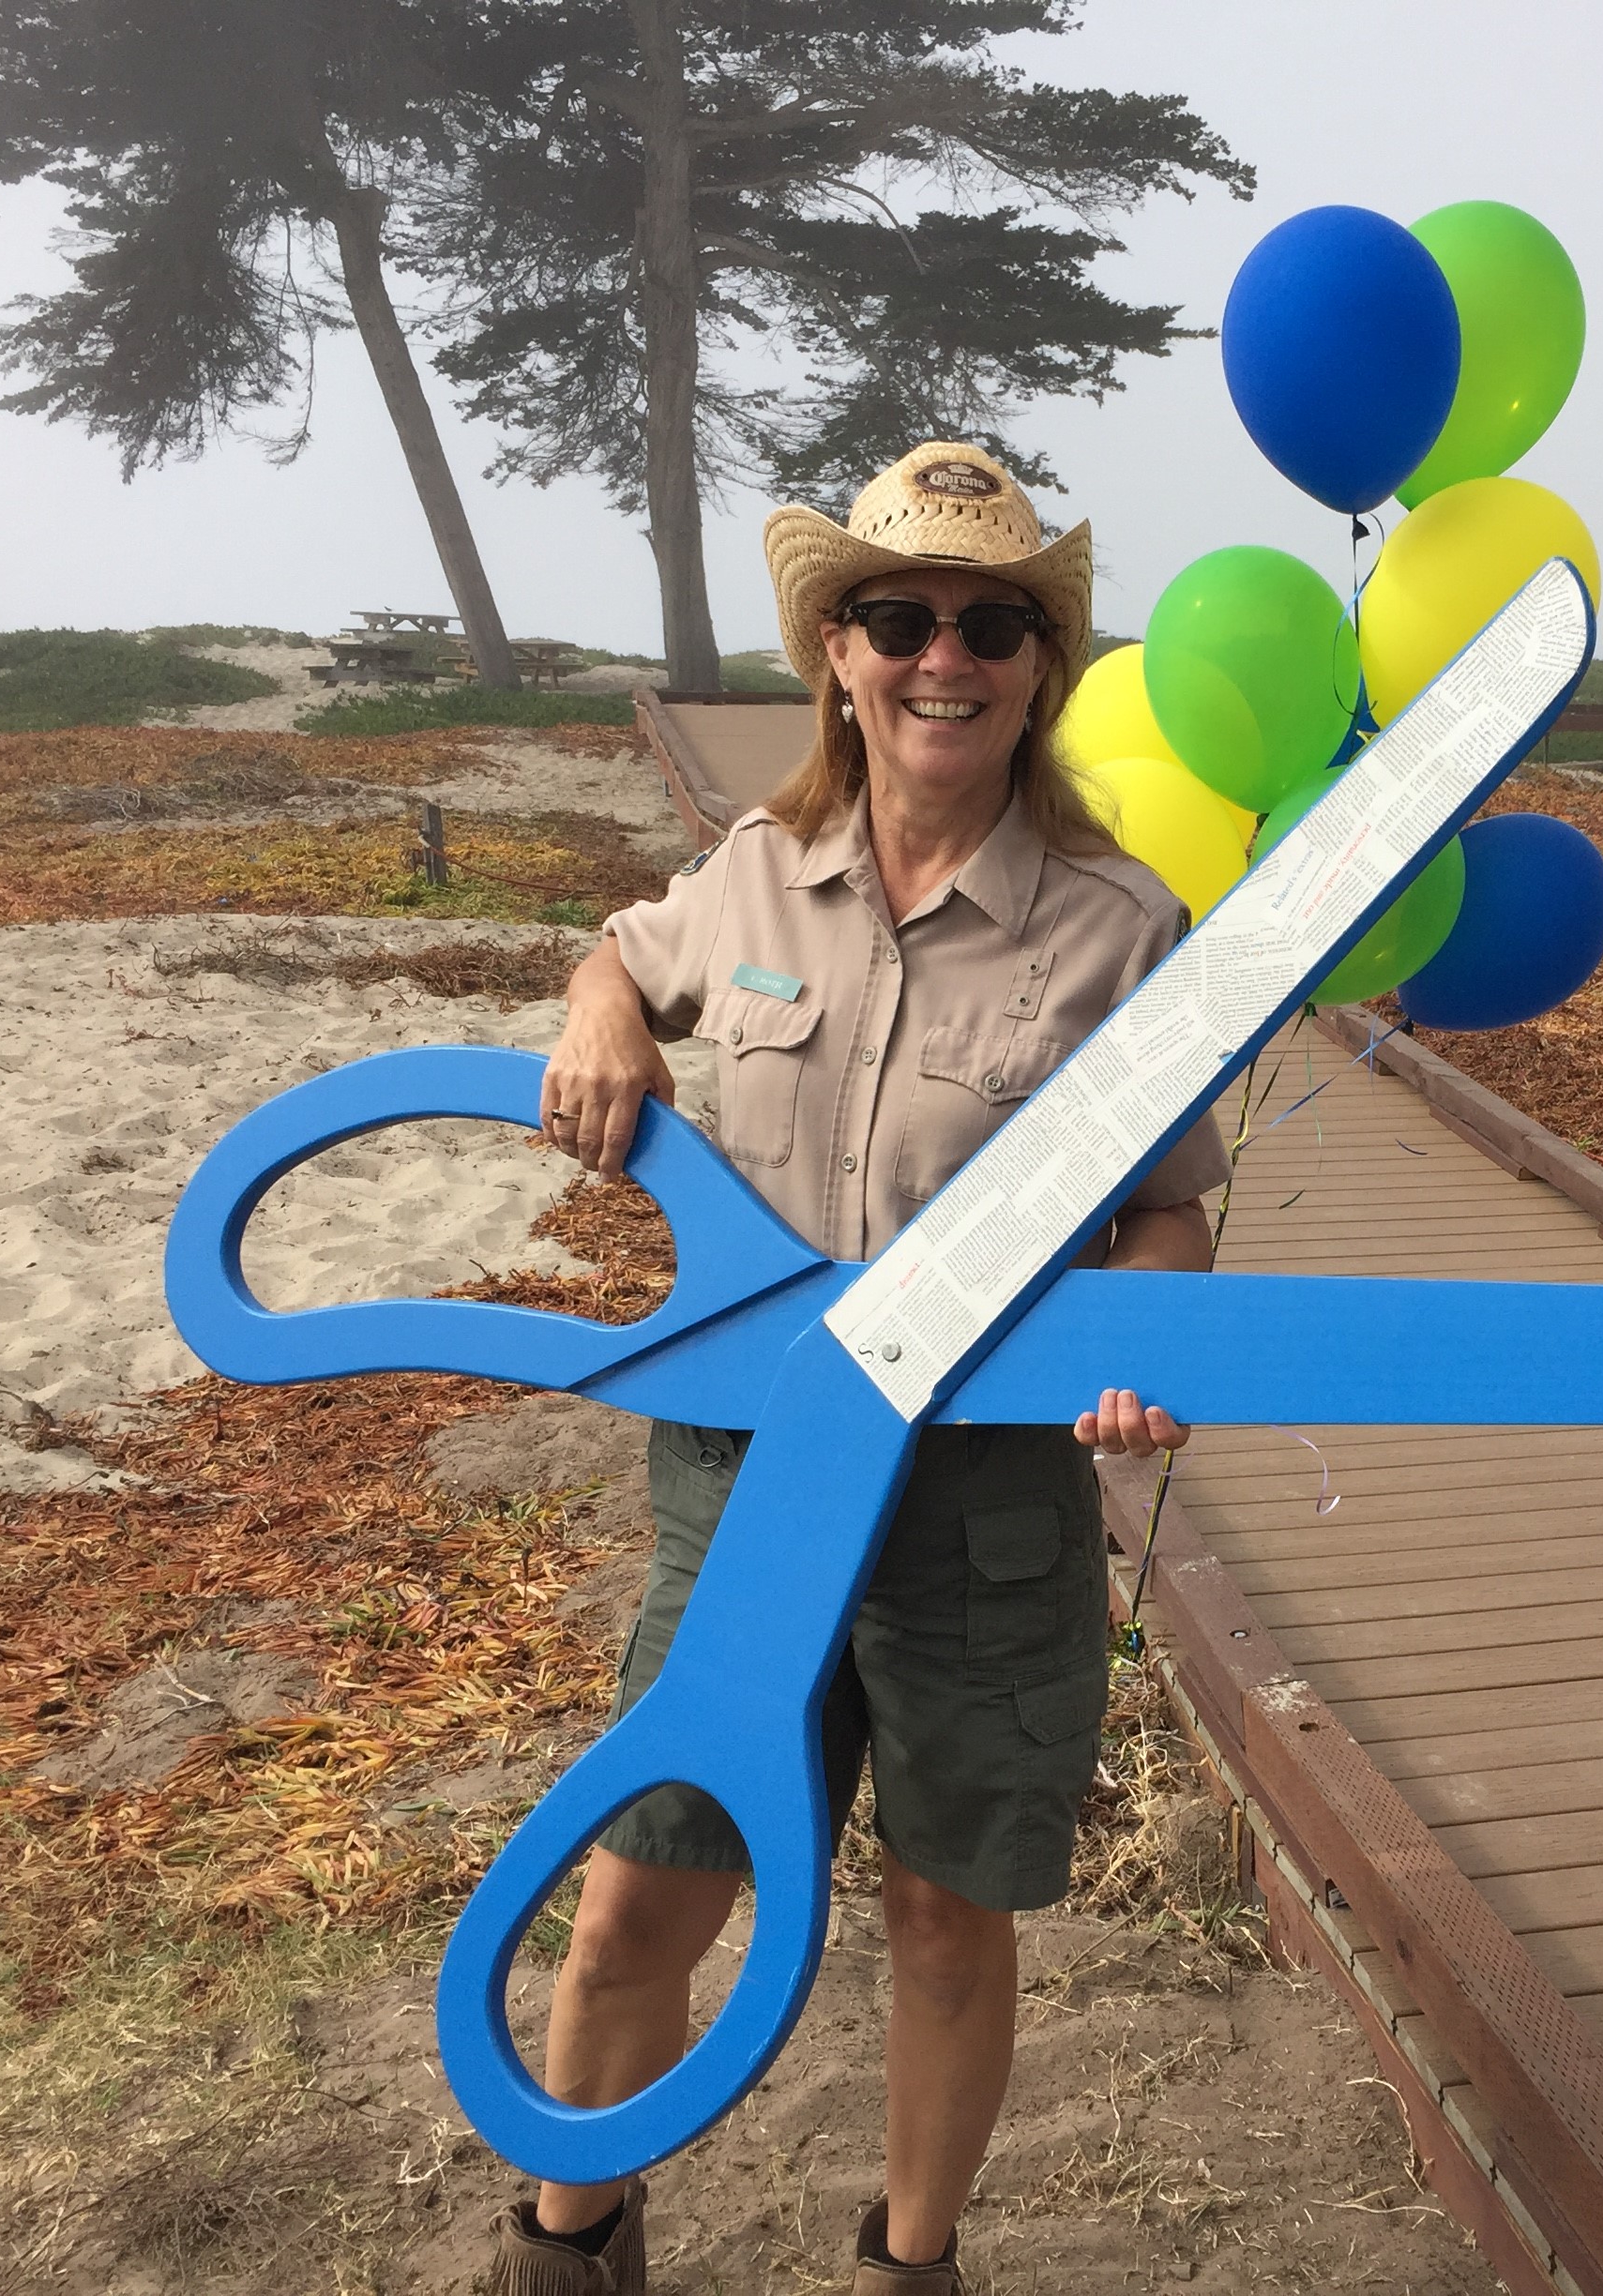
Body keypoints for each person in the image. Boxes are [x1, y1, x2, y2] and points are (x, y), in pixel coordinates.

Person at [491, 441, 1231, 2296]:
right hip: (740, 1476)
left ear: (1041, 670)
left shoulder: (1119, 926)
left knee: (943, 1922)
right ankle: (568, 2254)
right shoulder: (752, 878)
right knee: (640, 1891)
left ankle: (911, 2269)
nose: (941, 658)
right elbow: (621, 959)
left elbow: (1166, 1215)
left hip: (981, 1514)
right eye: (898, 617)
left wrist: (1139, 1342)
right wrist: (598, 1017)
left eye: (990, 625)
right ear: (836, 652)